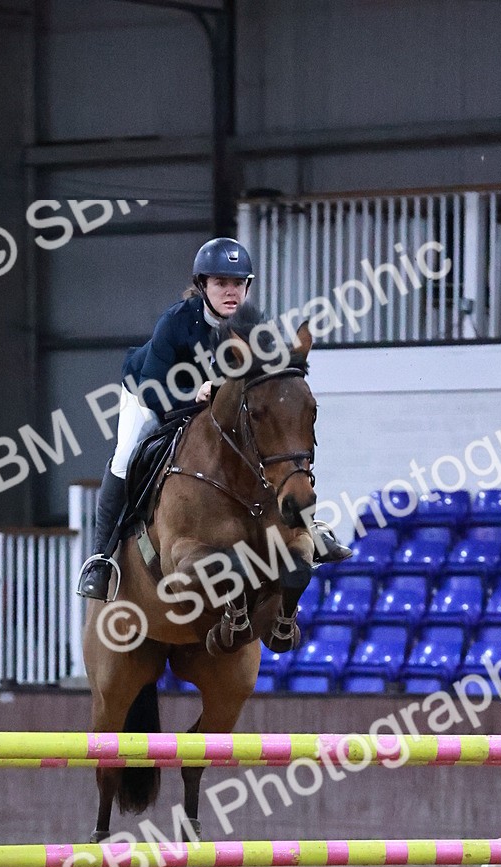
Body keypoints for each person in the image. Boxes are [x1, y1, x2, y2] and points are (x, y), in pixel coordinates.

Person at [76, 236, 350, 602]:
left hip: (214, 409)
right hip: (152, 394)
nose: (230, 291)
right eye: (221, 283)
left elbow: (266, 388)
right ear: (203, 285)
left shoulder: (255, 328)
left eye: (238, 283)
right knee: (127, 454)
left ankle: (307, 526)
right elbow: (151, 388)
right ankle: (100, 558)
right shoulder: (175, 323)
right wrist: (193, 395)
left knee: (273, 440)